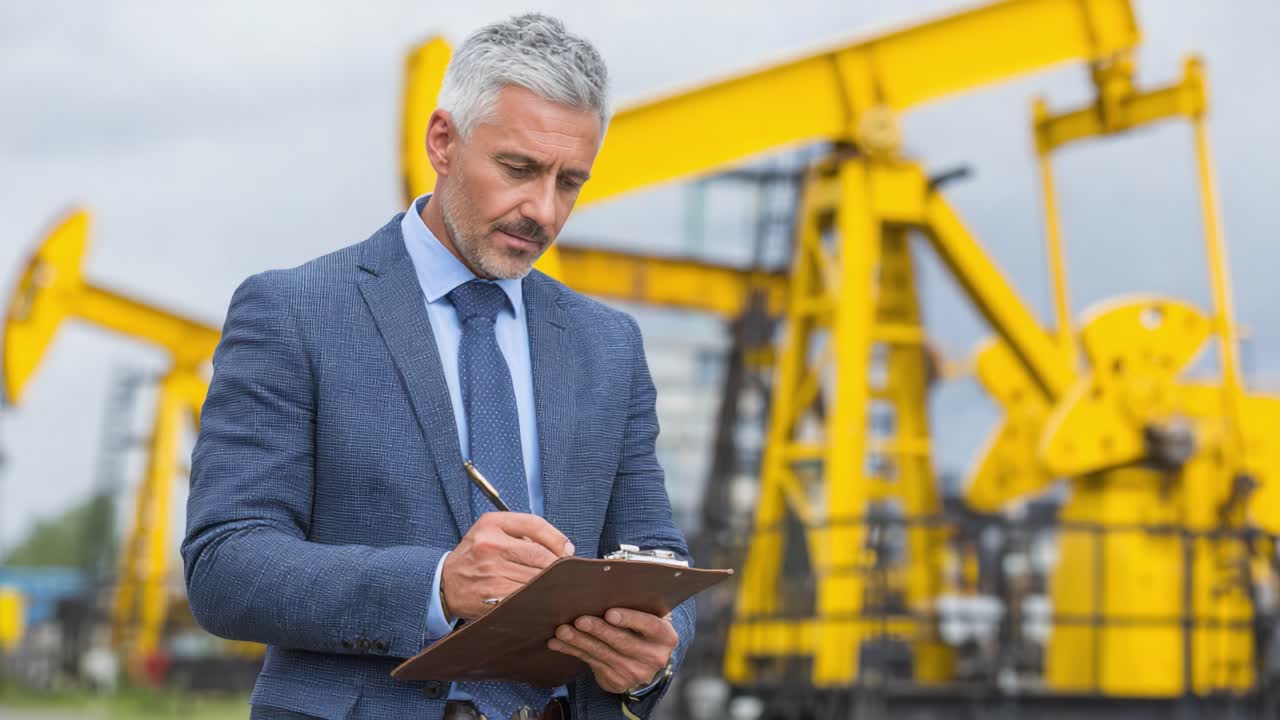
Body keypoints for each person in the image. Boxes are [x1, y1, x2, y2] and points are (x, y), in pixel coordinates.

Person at [181, 13, 693, 720]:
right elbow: (225, 565)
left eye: (570, 182)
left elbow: (655, 553)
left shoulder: (608, 344)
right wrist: (438, 583)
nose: (542, 209)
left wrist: (653, 654)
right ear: (443, 141)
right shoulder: (294, 312)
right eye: (518, 169)